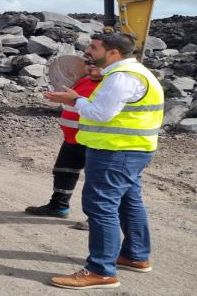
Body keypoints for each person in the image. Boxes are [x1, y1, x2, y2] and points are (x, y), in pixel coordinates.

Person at [43, 32, 164, 290]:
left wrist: (75, 99)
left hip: (115, 152)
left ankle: (100, 271)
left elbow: (100, 114)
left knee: (100, 205)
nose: (88, 51)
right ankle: (135, 255)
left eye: (94, 47)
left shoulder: (121, 77)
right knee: (129, 202)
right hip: (131, 150)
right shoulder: (135, 73)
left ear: (113, 53)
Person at [24, 65, 102, 218]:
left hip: (93, 140)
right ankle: (58, 206)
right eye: (89, 62)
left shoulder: (108, 86)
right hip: (72, 138)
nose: (91, 66)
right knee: (63, 172)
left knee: (97, 179)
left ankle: (97, 218)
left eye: (97, 64)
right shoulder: (84, 80)